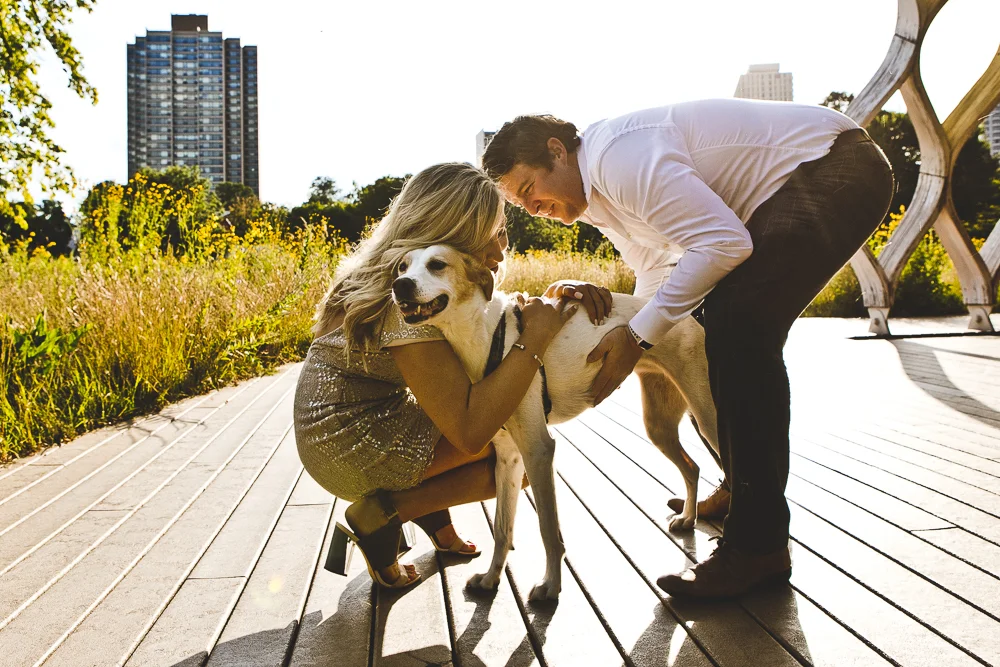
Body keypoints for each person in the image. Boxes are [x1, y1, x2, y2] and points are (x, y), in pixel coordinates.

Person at [481, 99, 894, 599]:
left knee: (739, 325)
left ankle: (757, 545)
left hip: (835, 166)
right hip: (789, 190)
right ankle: (740, 488)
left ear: (557, 152)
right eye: (521, 204)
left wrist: (635, 338)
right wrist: (620, 325)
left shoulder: (620, 160)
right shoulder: (598, 202)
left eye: (530, 190)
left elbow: (724, 244)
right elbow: (657, 272)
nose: (533, 208)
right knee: (717, 327)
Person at [293, 163, 596, 588]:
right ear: (455, 230)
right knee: (517, 452)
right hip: (354, 444)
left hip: (340, 429)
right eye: (492, 233)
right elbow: (471, 428)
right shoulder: (405, 303)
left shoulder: (394, 272)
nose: (500, 249)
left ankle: (436, 527)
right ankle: (385, 515)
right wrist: (538, 337)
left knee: (466, 408)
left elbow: (479, 346)